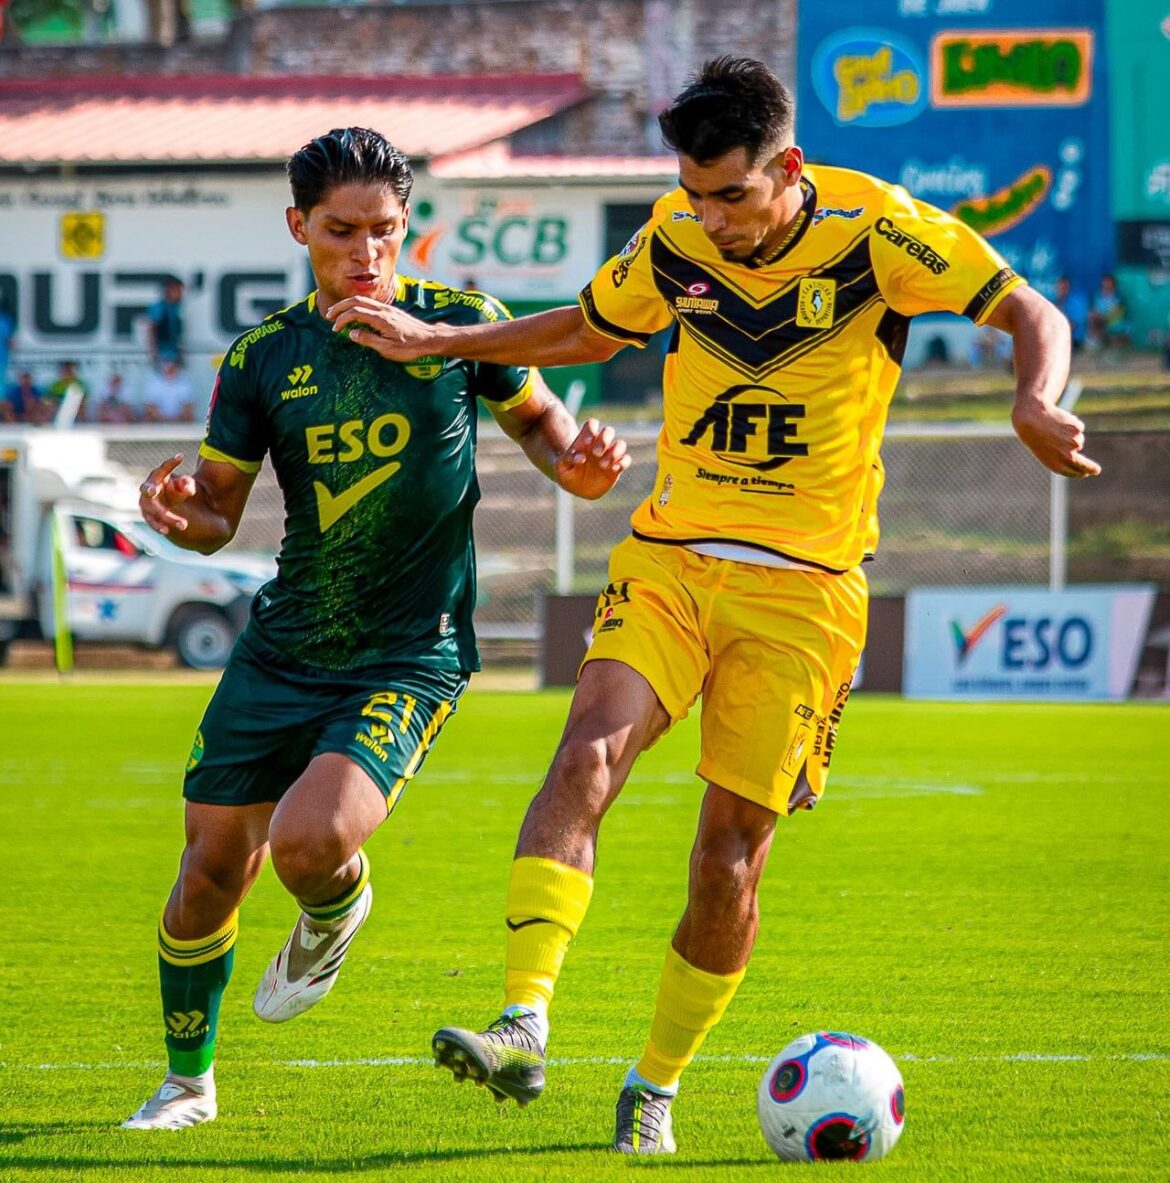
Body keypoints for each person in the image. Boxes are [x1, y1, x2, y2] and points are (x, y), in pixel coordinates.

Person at [329, 57, 1101, 1155]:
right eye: (693, 195)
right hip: (676, 557)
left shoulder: (881, 233)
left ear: (786, 167)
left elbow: (1030, 308)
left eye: (729, 195)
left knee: (727, 855)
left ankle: (655, 1083)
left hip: (807, 595)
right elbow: (592, 329)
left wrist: (1036, 395)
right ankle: (522, 1020)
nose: (709, 219)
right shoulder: (676, 239)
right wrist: (442, 343)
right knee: (587, 749)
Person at [121, 126, 630, 1131]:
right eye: (342, 231)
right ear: (298, 226)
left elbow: (551, 439)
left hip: (410, 651)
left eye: (385, 231)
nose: (366, 252)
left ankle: (331, 907)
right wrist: (181, 510)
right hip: (284, 644)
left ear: (408, 228)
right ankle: (187, 1083)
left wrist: (585, 463)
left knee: (311, 843)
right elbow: (220, 506)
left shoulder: (462, 329)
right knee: (208, 873)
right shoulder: (264, 358)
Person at [140, 355, 196, 422]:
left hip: (179, 419)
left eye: (172, 366)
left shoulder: (184, 382)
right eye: (167, 366)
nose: (169, 368)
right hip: (158, 419)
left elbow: (188, 407)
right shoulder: (154, 381)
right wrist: (164, 419)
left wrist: (175, 420)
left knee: (191, 416)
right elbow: (150, 406)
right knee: (146, 416)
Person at [145, 276, 186, 365]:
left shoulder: (177, 308)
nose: (181, 294)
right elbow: (151, 329)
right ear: (170, 290)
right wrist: (152, 352)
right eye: (178, 291)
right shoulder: (159, 307)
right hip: (162, 353)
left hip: (175, 353)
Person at [1087, 273, 1131, 350]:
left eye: (1109, 284)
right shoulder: (1097, 296)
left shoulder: (1119, 297)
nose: (1106, 286)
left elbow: (1119, 313)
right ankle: (1093, 339)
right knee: (1092, 316)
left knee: (1098, 319)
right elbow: (1094, 310)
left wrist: (1105, 316)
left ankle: (1098, 339)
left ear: (1113, 285)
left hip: (1115, 320)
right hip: (1100, 320)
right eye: (1105, 283)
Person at [1053, 275, 1088, 352]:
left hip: (1075, 341)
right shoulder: (1055, 302)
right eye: (1058, 288)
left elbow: (1073, 325)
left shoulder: (1076, 303)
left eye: (1063, 288)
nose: (1060, 290)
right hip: (1060, 339)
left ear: (1068, 288)